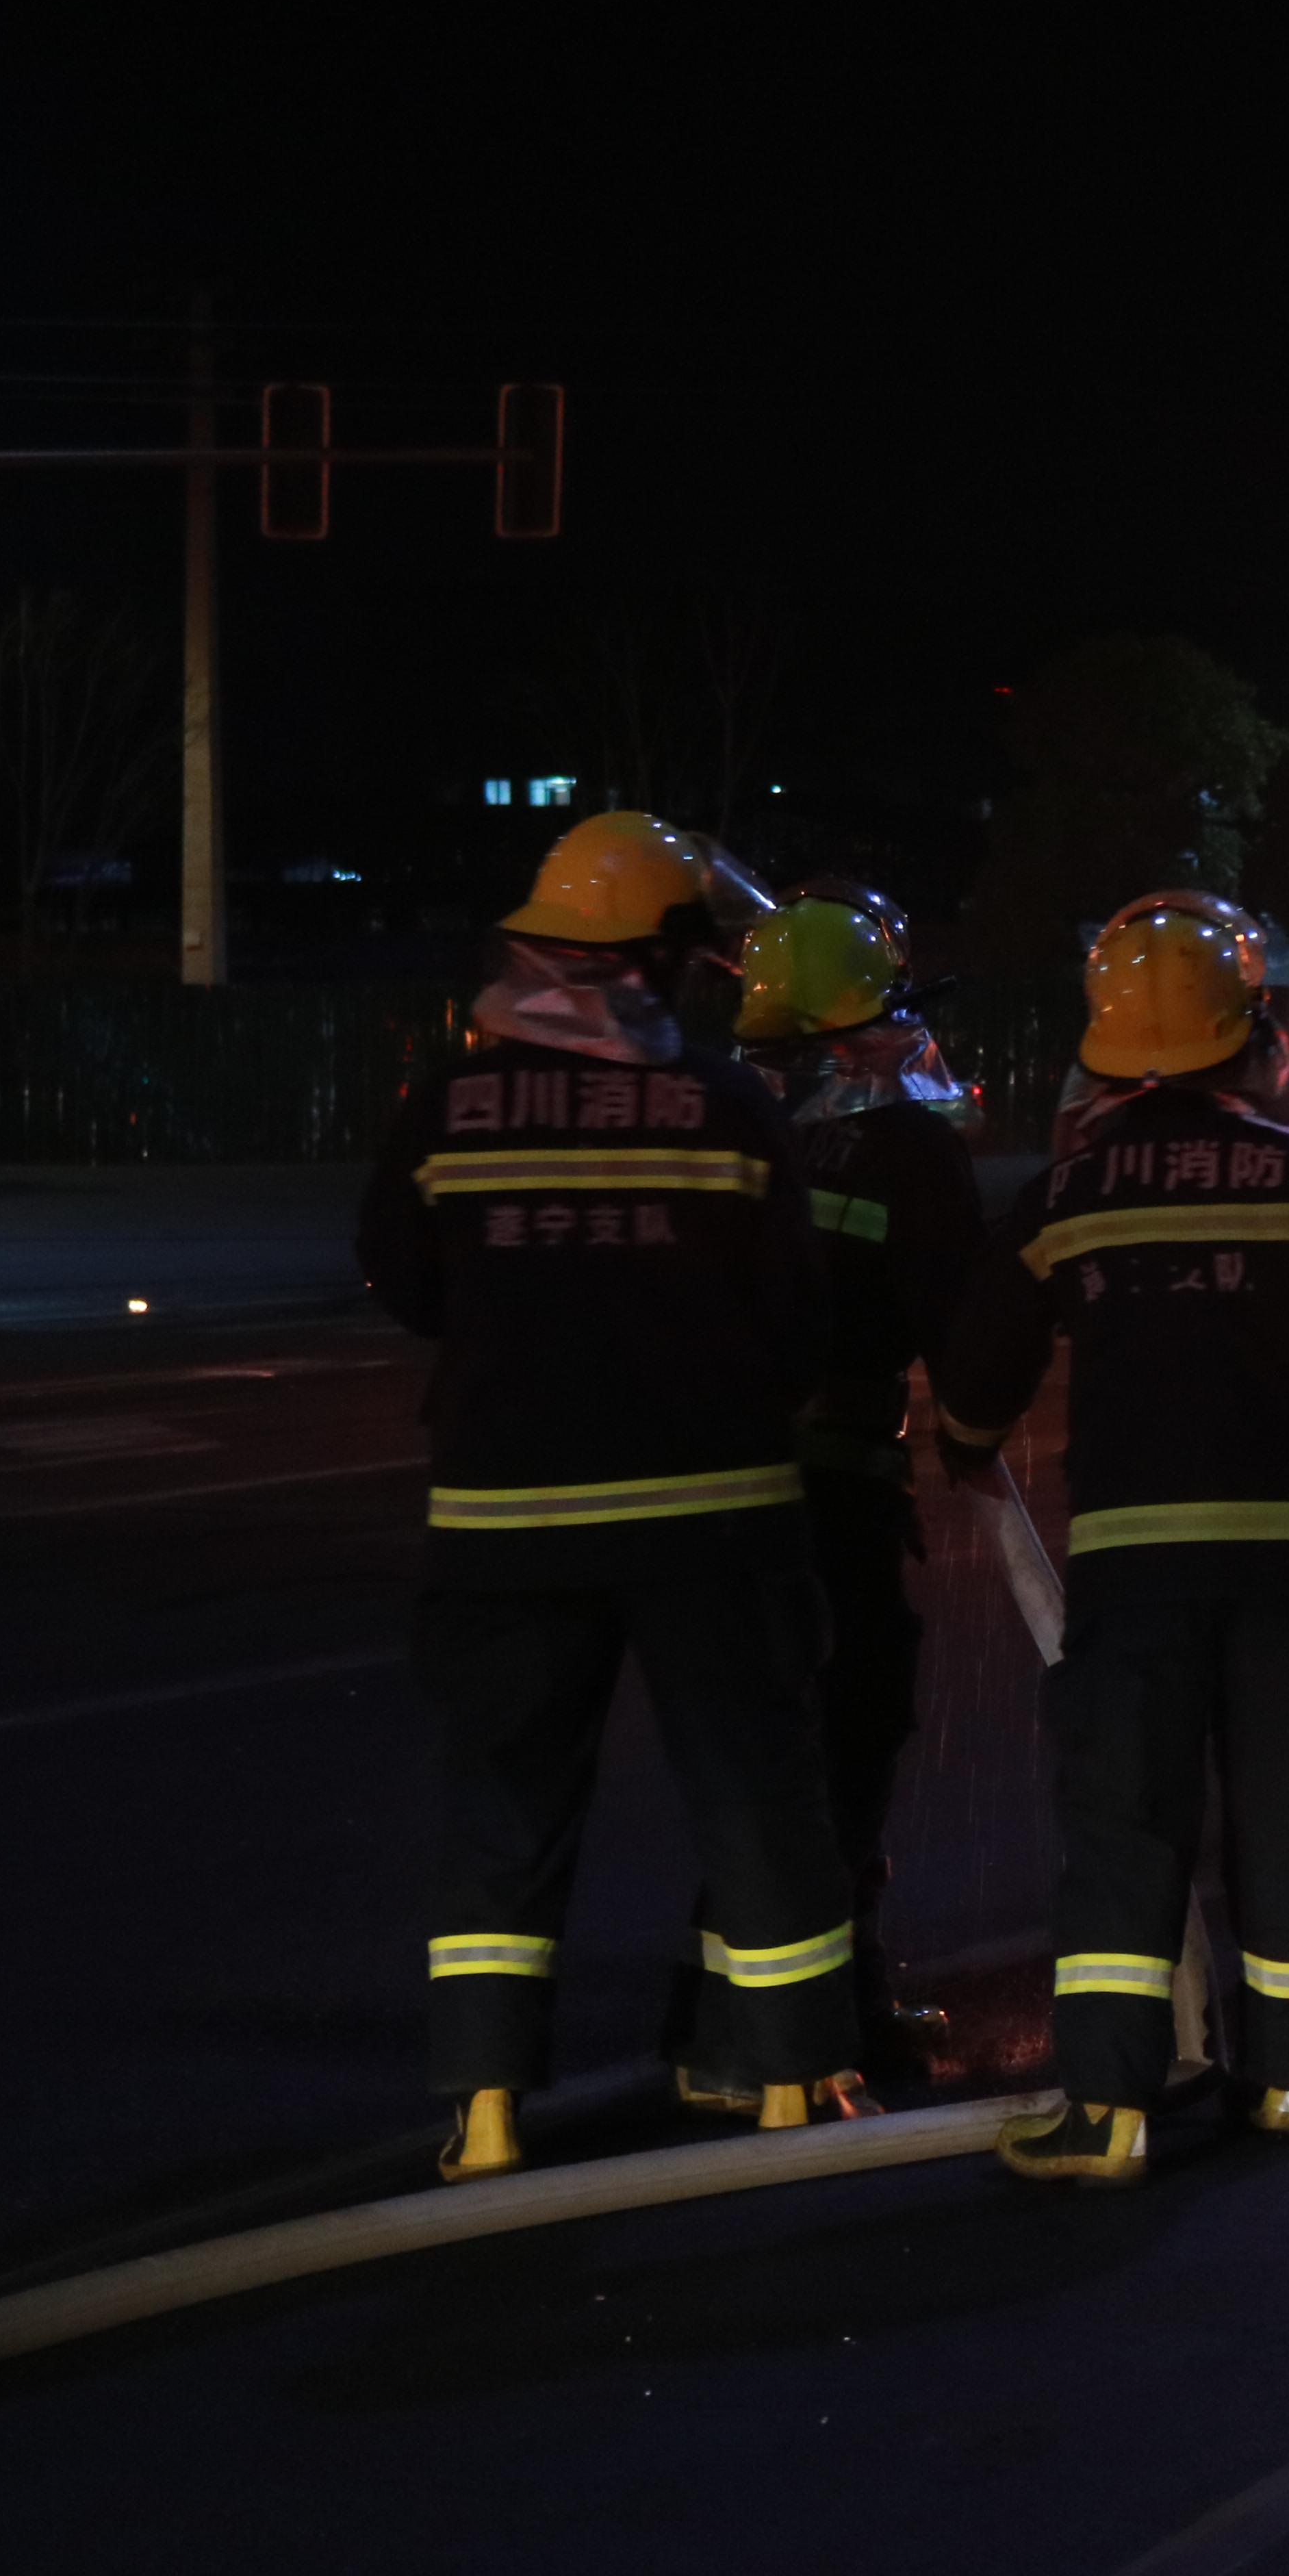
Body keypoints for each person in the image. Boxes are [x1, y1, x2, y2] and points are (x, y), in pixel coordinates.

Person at [353, 811, 862, 2181]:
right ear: (664, 951)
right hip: (716, 1515)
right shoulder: (731, 1105)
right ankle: (787, 2075)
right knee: (755, 1791)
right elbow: (797, 1314)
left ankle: (486, 2106)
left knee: (501, 1808)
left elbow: (403, 1281)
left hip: (506, 1522)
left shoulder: (446, 1105)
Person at [936, 893, 1289, 2184]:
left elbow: (981, 1366)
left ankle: (1107, 2110)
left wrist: (957, 1444)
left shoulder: (1071, 1191)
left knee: (1125, 1825)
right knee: (1287, 1818)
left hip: (1137, 1572)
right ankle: (1284, 2085)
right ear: (1250, 1040)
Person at [666, 885, 985, 2104]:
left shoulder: (710, 1125)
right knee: (841, 1758)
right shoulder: (910, 1149)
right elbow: (960, 1336)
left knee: (754, 1761)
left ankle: (712, 2032)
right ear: (860, 1024)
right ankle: (819, 2027)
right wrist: (976, 1423)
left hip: (704, 1502)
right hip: (835, 1500)